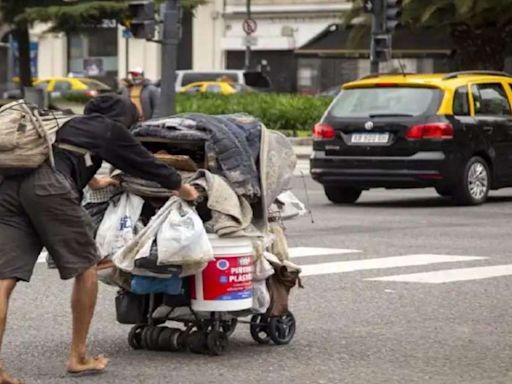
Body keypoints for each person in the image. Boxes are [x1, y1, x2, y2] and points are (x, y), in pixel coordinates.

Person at [0, 94, 198, 383]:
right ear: (124, 118)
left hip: (9, 190)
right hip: (49, 190)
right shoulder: (110, 129)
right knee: (87, 269)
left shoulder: (66, 123)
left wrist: (94, 181)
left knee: (4, 280)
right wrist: (182, 188)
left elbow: (62, 156)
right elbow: (144, 163)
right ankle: (78, 356)